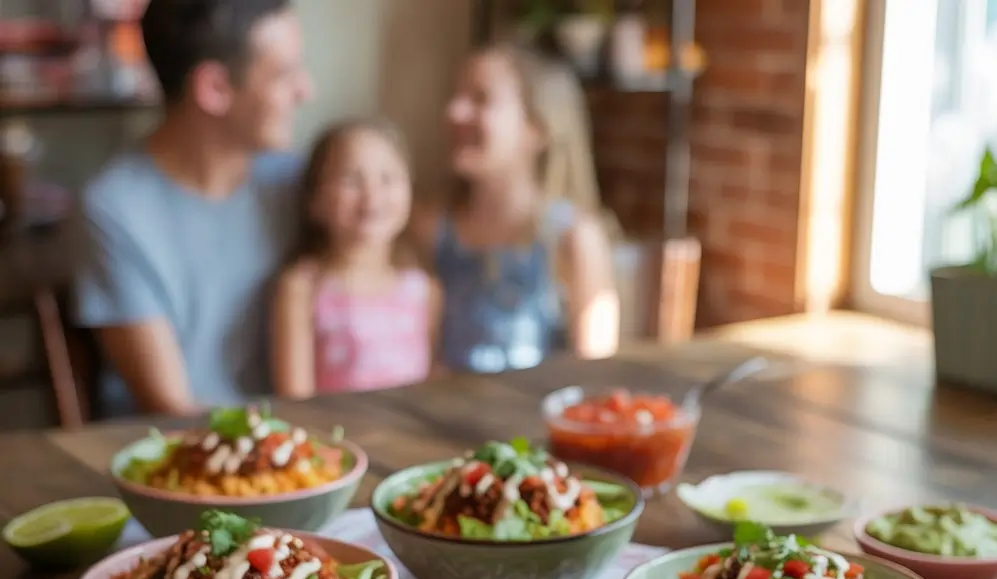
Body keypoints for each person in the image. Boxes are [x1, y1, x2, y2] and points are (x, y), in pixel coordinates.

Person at [74, 0, 313, 417]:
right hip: (179, 455)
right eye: (283, 74)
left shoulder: (295, 181)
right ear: (215, 89)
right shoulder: (114, 208)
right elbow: (170, 406)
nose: (306, 91)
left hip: (301, 446)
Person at [413, 43, 620, 375]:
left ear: (536, 128)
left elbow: (594, 376)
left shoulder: (574, 237)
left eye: (481, 99)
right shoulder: (430, 229)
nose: (454, 112)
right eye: (456, 96)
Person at [271, 119, 440, 398]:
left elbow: (430, 386)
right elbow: (295, 400)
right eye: (351, 179)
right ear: (314, 200)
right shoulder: (301, 287)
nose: (372, 195)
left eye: (388, 178)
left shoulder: (424, 289)